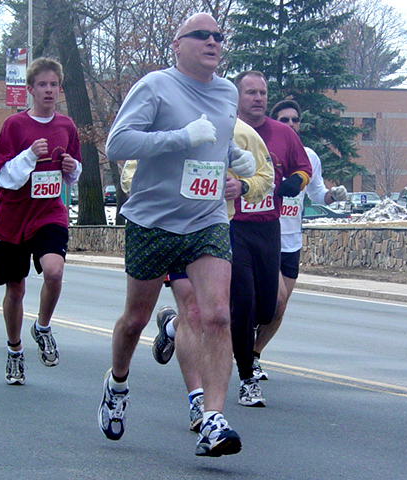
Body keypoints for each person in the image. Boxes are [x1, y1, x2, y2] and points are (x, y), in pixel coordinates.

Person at [98, 13, 256, 457]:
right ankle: (117, 384)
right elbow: (117, 144)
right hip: (153, 220)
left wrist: (233, 156)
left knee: (217, 315)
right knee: (135, 320)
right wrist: (180, 137)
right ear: (177, 44)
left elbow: (215, 141)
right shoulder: (155, 86)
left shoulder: (227, 92)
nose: (212, 42)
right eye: (201, 35)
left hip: (206, 218)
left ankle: (213, 418)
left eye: (218, 36)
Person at [151, 118, 274, 432]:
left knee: (217, 315)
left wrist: (242, 186)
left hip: (216, 231)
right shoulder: (167, 121)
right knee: (193, 311)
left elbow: (266, 177)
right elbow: (130, 176)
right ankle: (198, 400)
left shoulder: (241, 132)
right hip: (174, 227)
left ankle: (172, 328)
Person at [0, 57, 82, 386]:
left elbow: (74, 171)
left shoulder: (66, 126)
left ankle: (42, 327)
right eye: (42, 84)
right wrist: (29, 155)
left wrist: (72, 168)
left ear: (60, 89)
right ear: (30, 89)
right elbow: (2, 176)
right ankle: (14, 350)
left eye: (53, 84)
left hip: (49, 213)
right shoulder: (14, 126)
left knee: (54, 272)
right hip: (13, 217)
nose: (48, 90)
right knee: (16, 289)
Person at [228, 71, 312, 407]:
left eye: (262, 93)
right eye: (251, 92)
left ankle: (177, 327)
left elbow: (303, 168)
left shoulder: (283, 134)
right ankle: (247, 378)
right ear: (237, 97)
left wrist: (296, 181)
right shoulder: (228, 130)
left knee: (267, 308)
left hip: (269, 227)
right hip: (233, 226)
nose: (258, 98)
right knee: (243, 303)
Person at [251, 99, 348, 381]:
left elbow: (317, 194)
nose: (291, 124)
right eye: (285, 120)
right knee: (271, 299)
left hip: (292, 242)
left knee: (279, 308)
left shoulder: (309, 157)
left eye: (295, 119)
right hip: (263, 236)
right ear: (274, 122)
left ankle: (254, 355)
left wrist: (333, 195)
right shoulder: (262, 150)